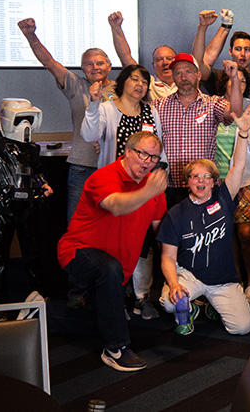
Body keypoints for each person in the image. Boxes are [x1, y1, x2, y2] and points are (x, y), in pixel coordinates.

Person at [56, 131, 168, 371]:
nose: (147, 162)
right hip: (76, 251)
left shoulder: (155, 191)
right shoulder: (104, 176)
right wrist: (149, 191)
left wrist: (177, 270)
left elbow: (162, 234)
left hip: (119, 267)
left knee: (113, 273)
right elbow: (116, 206)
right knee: (108, 269)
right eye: (142, 154)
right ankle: (115, 349)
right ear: (127, 152)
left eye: (154, 158)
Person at [158, 102, 250, 335]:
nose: (201, 181)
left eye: (206, 176)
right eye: (195, 177)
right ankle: (191, 308)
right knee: (168, 302)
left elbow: (239, 166)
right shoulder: (175, 214)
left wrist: (243, 133)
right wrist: (174, 284)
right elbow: (167, 257)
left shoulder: (223, 197)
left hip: (223, 280)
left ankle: (214, 306)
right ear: (187, 181)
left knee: (242, 328)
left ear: (214, 181)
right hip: (190, 276)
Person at [80, 63, 163, 317]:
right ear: (123, 81)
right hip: (115, 186)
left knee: (142, 241)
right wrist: (93, 104)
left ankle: (141, 296)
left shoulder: (151, 111)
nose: (140, 85)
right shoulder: (107, 108)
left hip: (144, 186)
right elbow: (89, 134)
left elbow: (159, 147)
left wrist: (160, 178)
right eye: (134, 79)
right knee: (114, 243)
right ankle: (115, 296)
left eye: (144, 81)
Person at [17, 17, 116, 221]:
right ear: (82, 68)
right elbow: (49, 63)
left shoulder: (122, 88)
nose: (95, 67)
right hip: (81, 165)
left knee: (110, 223)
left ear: (109, 65)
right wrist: (30, 35)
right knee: (78, 222)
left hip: (113, 167)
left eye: (100, 63)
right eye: (89, 64)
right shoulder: (75, 85)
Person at [0, 82, 54, 305]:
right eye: (20, 119)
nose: (25, 125)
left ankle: (39, 295)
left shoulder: (32, 148)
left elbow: (37, 172)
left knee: (33, 254)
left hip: (28, 206)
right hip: (3, 206)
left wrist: (43, 184)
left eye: (29, 119)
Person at [153, 52, 241, 206]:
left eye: (188, 72)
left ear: (198, 75)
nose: (183, 77)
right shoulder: (159, 106)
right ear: (173, 78)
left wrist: (234, 79)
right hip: (172, 186)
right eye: (178, 73)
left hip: (205, 185)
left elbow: (235, 113)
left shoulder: (212, 103)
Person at [213, 63, 250, 303]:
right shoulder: (213, 106)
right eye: (234, 80)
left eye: (243, 81)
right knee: (226, 234)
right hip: (217, 181)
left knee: (246, 233)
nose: (238, 84)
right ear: (225, 82)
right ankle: (236, 280)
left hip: (246, 179)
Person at [195, 10, 250, 105]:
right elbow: (198, 63)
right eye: (238, 49)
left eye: (247, 49)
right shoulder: (220, 76)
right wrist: (202, 27)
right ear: (230, 51)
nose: (243, 54)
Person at [107, 11, 177, 101]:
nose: (165, 62)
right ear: (153, 64)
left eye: (169, 58)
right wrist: (116, 28)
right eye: (159, 59)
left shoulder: (186, 82)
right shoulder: (147, 82)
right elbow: (126, 58)